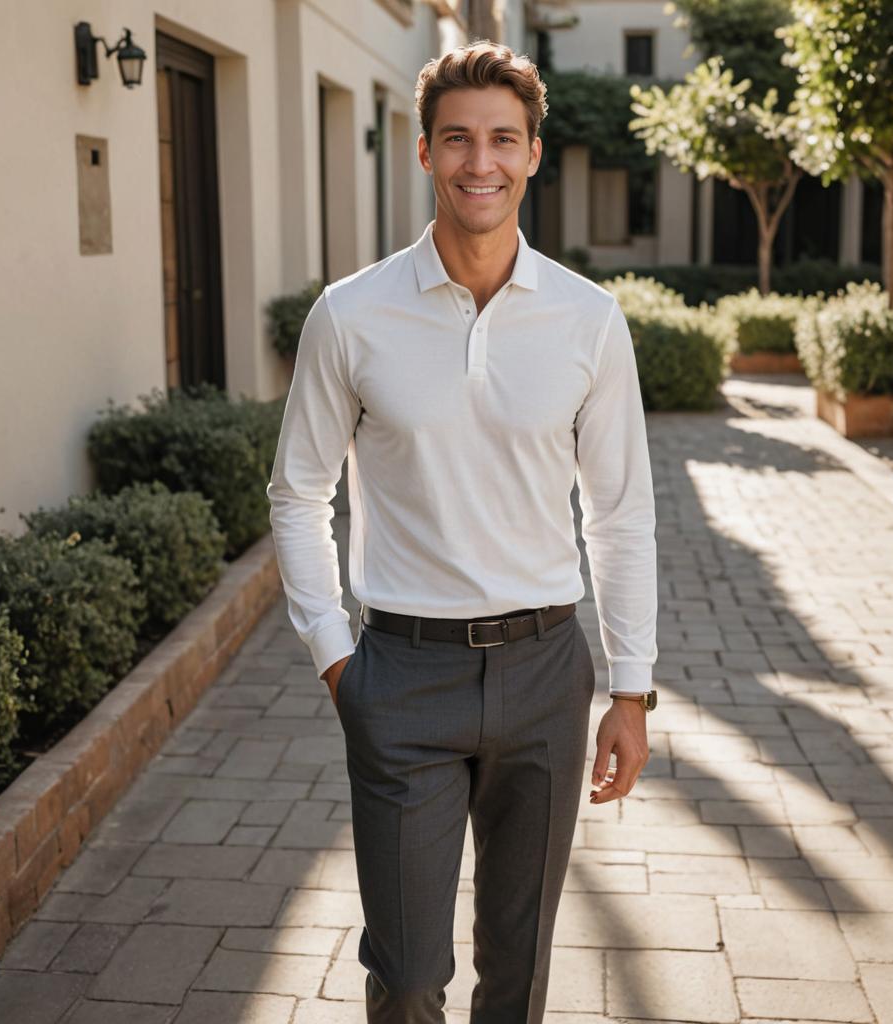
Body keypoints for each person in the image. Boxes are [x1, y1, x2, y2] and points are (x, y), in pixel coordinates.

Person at [266, 40, 658, 1024]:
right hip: (400, 671)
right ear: (423, 151)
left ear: (532, 152)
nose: (477, 163)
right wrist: (334, 660)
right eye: (456, 140)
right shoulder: (350, 316)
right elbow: (296, 492)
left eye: (499, 140)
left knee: (517, 970)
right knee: (404, 979)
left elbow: (618, 511)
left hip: (543, 670)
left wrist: (630, 688)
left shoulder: (587, 318)